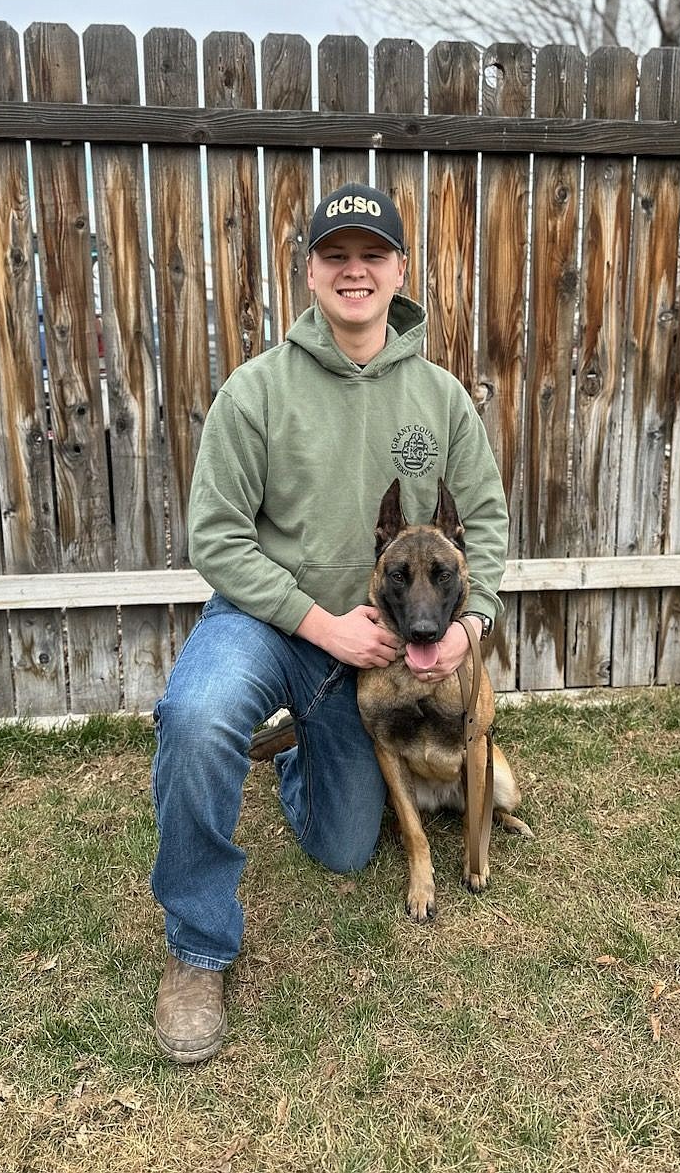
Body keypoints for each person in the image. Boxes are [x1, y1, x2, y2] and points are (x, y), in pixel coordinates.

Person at [151, 182, 508, 1063]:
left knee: (349, 851)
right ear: (310, 271)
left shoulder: (442, 399)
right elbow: (218, 539)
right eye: (336, 255)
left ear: (397, 271)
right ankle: (199, 947)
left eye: (372, 254)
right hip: (266, 623)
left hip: (384, 650)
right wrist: (318, 624)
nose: (355, 271)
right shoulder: (255, 392)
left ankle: (304, 756)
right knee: (197, 717)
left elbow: (488, 532)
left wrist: (470, 626)